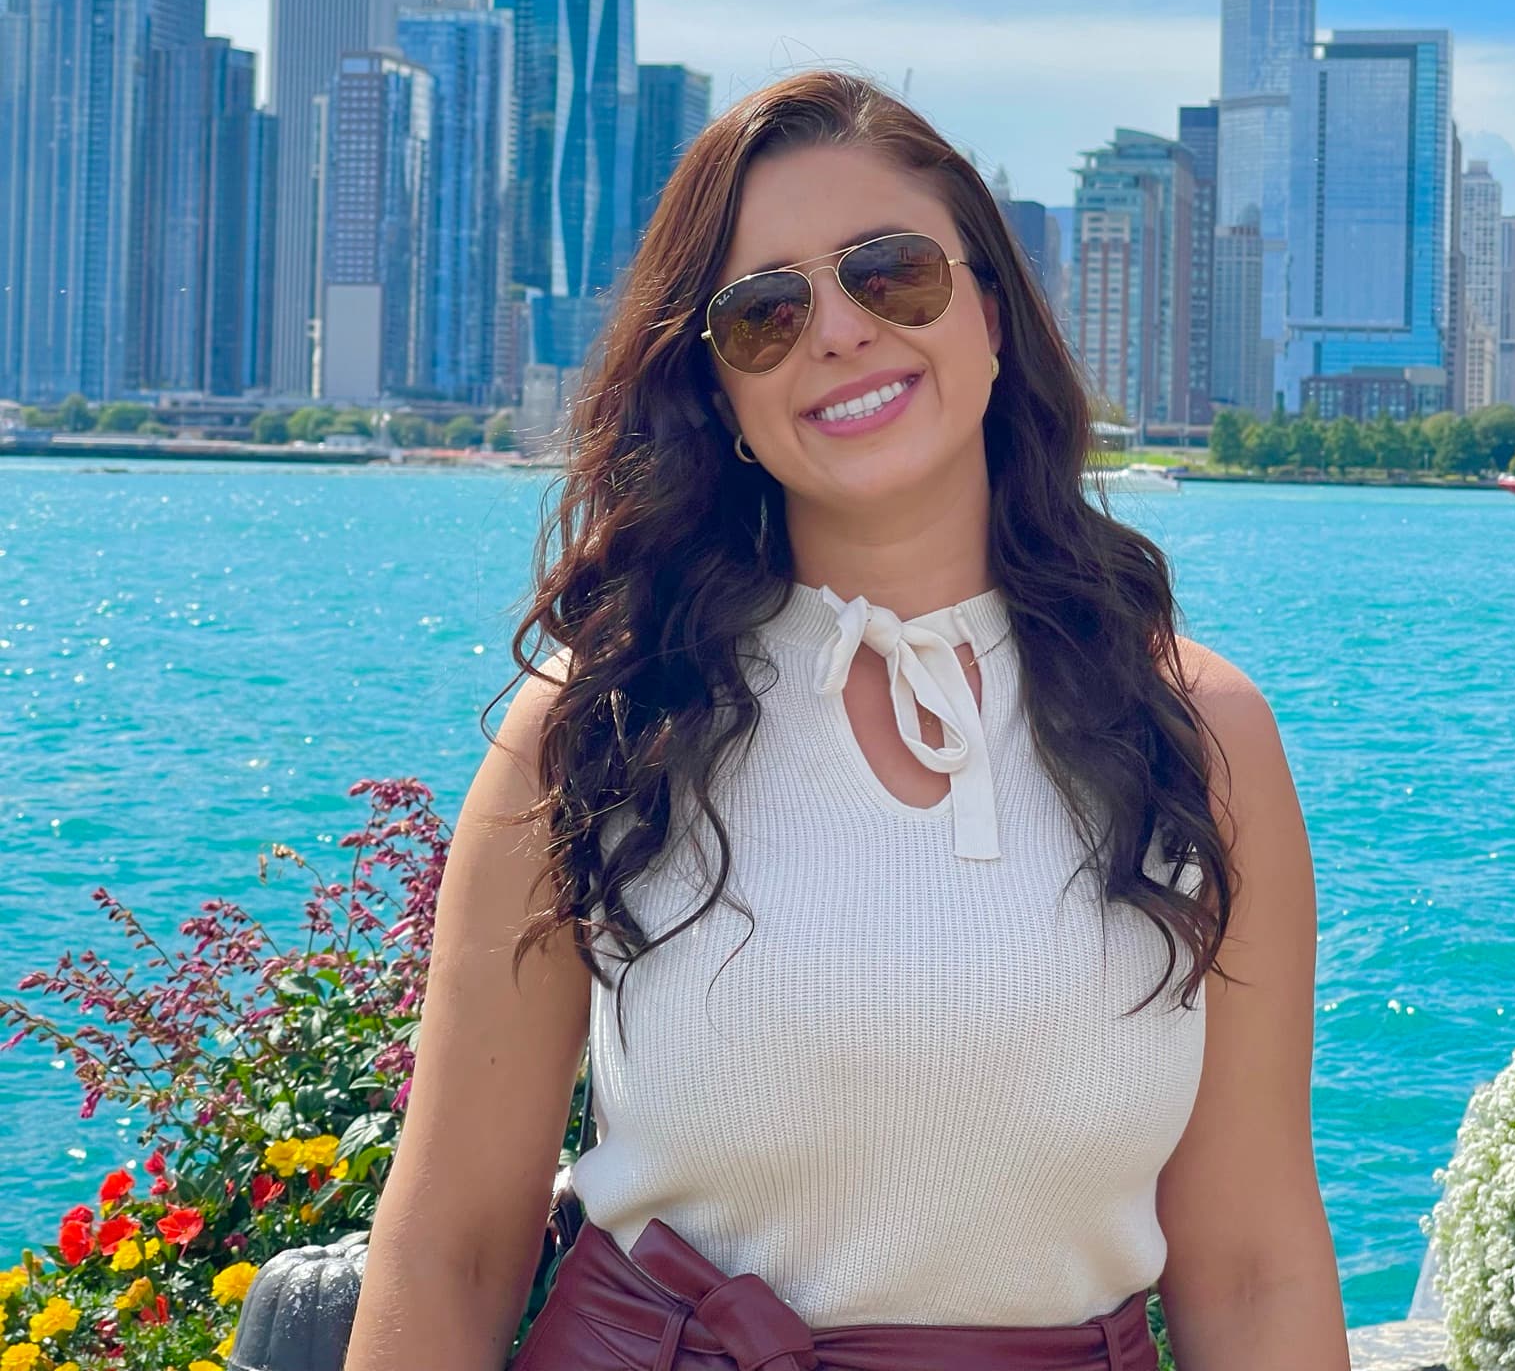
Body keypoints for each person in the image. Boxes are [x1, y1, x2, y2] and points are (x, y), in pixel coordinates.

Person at [342, 70, 1350, 1371]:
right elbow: (451, 1249)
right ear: (721, 397)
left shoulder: (1200, 738)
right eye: (764, 314)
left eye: (892, 274)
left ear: (991, 309)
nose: (837, 331)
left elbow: (1256, 1266)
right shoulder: (594, 726)